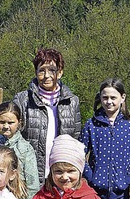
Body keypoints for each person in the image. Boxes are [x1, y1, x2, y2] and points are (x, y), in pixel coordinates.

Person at [13, 48, 81, 185]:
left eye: (52, 70)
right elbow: (13, 138)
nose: (46, 75)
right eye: (41, 70)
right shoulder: (22, 100)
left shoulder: (72, 101)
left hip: (61, 175)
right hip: (29, 174)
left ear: (60, 73)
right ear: (36, 72)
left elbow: (75, 138)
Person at [0, 101, 40, 199]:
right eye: (2, 122)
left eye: (10, 123)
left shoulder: (25, 149)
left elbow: (32, 186)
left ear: (19, 123)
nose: (6, 126)